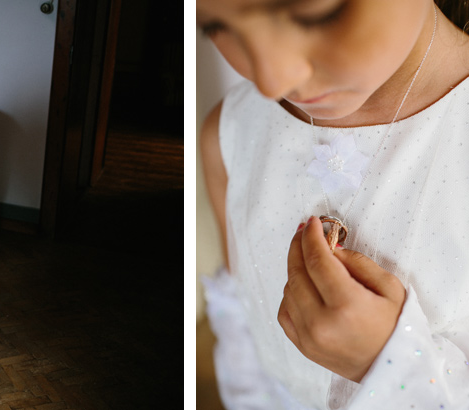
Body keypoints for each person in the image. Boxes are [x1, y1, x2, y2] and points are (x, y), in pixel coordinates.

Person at [198, 0, 469, 408]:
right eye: (216, 27)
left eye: (315, 12)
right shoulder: (230, 133)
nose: (272, 81)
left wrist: (393, 364)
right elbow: (244, 324)